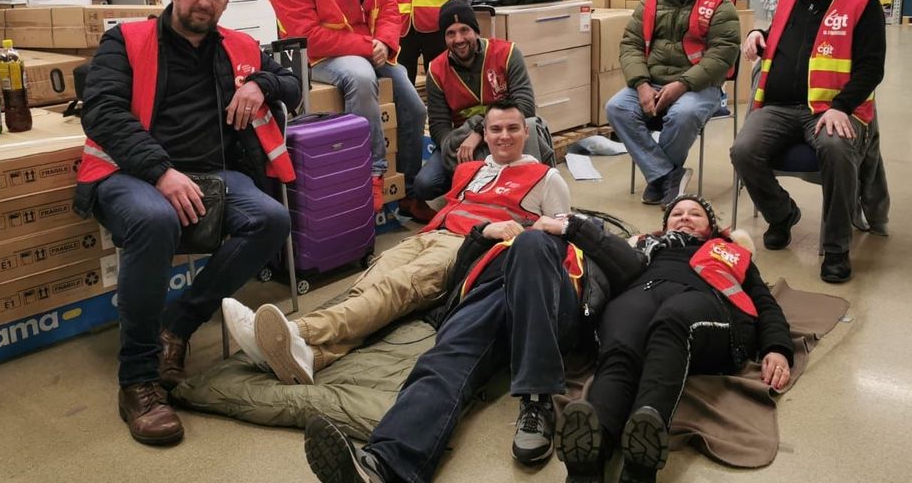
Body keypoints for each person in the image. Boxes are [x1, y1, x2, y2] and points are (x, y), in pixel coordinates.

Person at [74, 0, 299, 446]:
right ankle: (137, 378)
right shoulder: (125, 40)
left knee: (271, 219)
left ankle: (175, 328)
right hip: (128, 171)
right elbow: (104, 114)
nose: (205, 0)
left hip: (212, 173)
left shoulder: (239, 45)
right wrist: (161, 172)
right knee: (156, 221)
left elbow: (292, 83)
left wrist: (262, 84)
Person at [222, 100, 570, 387]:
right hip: (430, 234)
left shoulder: (546, 177)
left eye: (513, 128)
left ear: (527, 131)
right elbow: (446, 178)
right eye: (495, 129)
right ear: (485, 133)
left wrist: (516, 229)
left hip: (467, 248)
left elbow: (559, 237)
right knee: (370, 283)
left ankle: (294, 332)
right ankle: (312, 356)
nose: (504, 136)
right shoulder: (472, 169)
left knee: (395, 289)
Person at [302, 194, 645, 483]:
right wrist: (483, 233)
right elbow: (456, 277)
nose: (549, 218)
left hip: (554, 305)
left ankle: (537, 400)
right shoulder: (508, 236)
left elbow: (632, 268)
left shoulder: (581, 238)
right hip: (488, 298)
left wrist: (569, 227)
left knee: (532, 244)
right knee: (442, 363)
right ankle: (383, 465)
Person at [554, 196, 793, 483]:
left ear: (711, 227)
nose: (685, 217)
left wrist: (777, 347)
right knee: (621, 343)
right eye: (677, 213)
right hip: (641, 293)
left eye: (696, 214)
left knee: (673, 321)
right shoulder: (642, 247)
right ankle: (593, 450)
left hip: (703, 299)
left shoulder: (731, 252)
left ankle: (643, 451)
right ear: (665, 225)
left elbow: (765, 302)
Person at [730, 0, 886, 284]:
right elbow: (788, 38)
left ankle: (835, 248)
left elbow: (871, 68)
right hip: (780, 106)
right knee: (743, 150)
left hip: (833, 110)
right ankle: (783, 214)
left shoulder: (863, 3)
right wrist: (760, 35)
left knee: (836, 150)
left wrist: (841, 107)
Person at [266, 0, 430, 218]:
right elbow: (307, 36)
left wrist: (384, 39)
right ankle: (372, 174)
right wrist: (368, 46)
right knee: (360, 76)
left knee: (413, 105)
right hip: (320, 57)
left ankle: (409, 191)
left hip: (366, 47)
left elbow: (388, 6)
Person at [606, 0, 740, 209]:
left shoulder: (718, 2)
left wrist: (682, 84)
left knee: (684, 114)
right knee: (616, 108)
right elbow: (630, 44)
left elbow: (723, 54)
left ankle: (658, 177)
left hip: (700, 85)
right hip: (652, 81)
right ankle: (667, 174)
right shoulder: (651, 0)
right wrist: (641, 84)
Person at [413, 0, 537, 200]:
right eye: (450, 33)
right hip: (463, 142)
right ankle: (472, 184)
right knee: (425, 185)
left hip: (504, 134)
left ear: (476, 31)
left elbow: (525, 107)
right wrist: (455, 152)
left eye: (464, 30)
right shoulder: (436, 70)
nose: (459, 39)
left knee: (530, 125)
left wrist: (480, 132)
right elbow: (439, 128)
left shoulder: (507, 54)